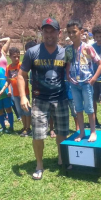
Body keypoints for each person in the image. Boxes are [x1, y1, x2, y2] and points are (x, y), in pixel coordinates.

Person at [18, 17, 69, 180]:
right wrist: (23, 96)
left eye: (52, 31)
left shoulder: (65, 53)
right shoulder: (32, 52)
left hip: (60, 98)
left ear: (59, 33)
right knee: (38, 134)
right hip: (39, 101)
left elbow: (72, 73)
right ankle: (39, 164)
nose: (48, 34)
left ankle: (62, 158)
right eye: (45, 31)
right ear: (41, 33)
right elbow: (21, 75)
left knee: (62, 132)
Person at [65, 19, 101, 142]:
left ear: (81, 32)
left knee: (89, 109)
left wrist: (93, 79)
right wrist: (68, 76)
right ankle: (81, 132)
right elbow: (67, 64)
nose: (71, 35)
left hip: (86, 83)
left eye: (74, 32)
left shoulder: (88, 48)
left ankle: (93, 131)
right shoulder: (68, 50)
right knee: (78, 109)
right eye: (69, 32)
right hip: (74, 83)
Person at [0, 47, 32, 137]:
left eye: (18, 57)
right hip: (15, 94)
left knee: (26, 111)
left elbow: (26, 78)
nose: (16, 59)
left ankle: (28, 128)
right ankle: (24, 127)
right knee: (20, 111)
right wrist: (2, 90)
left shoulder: (21, 65)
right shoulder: (8, 68)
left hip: (24, 93)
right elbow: (8, 80)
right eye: (14, 57)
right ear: (10, 57)